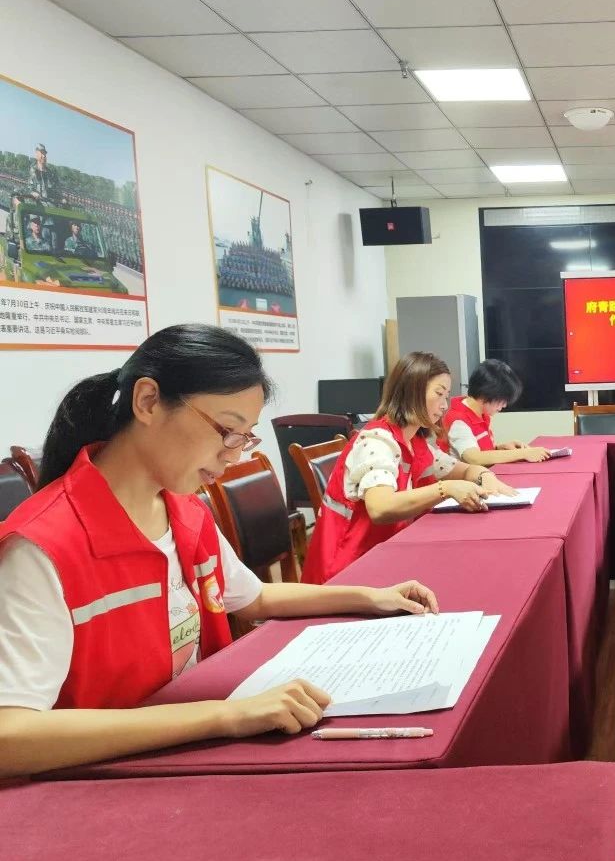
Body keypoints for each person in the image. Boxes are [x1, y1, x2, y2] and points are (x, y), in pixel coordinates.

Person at [0, 325, 440, 778]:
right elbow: (9, 737)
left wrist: (370, 597)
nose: (234, 455)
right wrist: (224, 716)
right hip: (93, 785)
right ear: (148, 401)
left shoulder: (184, 511)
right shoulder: (43, 547)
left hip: (184, 759)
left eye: (245, 437)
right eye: (227, 431)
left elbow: (255, 597)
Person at [303, 351, 519, 585]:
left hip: (383, 555)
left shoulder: (416, 442)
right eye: (439, 394)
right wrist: (445, 489)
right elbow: (380, 508)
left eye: (447, 396)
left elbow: (466, 469)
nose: (444, 405)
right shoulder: (377, 441)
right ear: (412, 391)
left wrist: (485, 475)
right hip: (348, 571)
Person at [439, 359, 550, 466]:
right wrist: (523, 453)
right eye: (503, 400)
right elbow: (474, 458)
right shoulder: (458, 420)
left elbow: (478, 449)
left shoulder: (480, 413)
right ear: (486, 394)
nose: (504, 405)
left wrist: (500, 448)